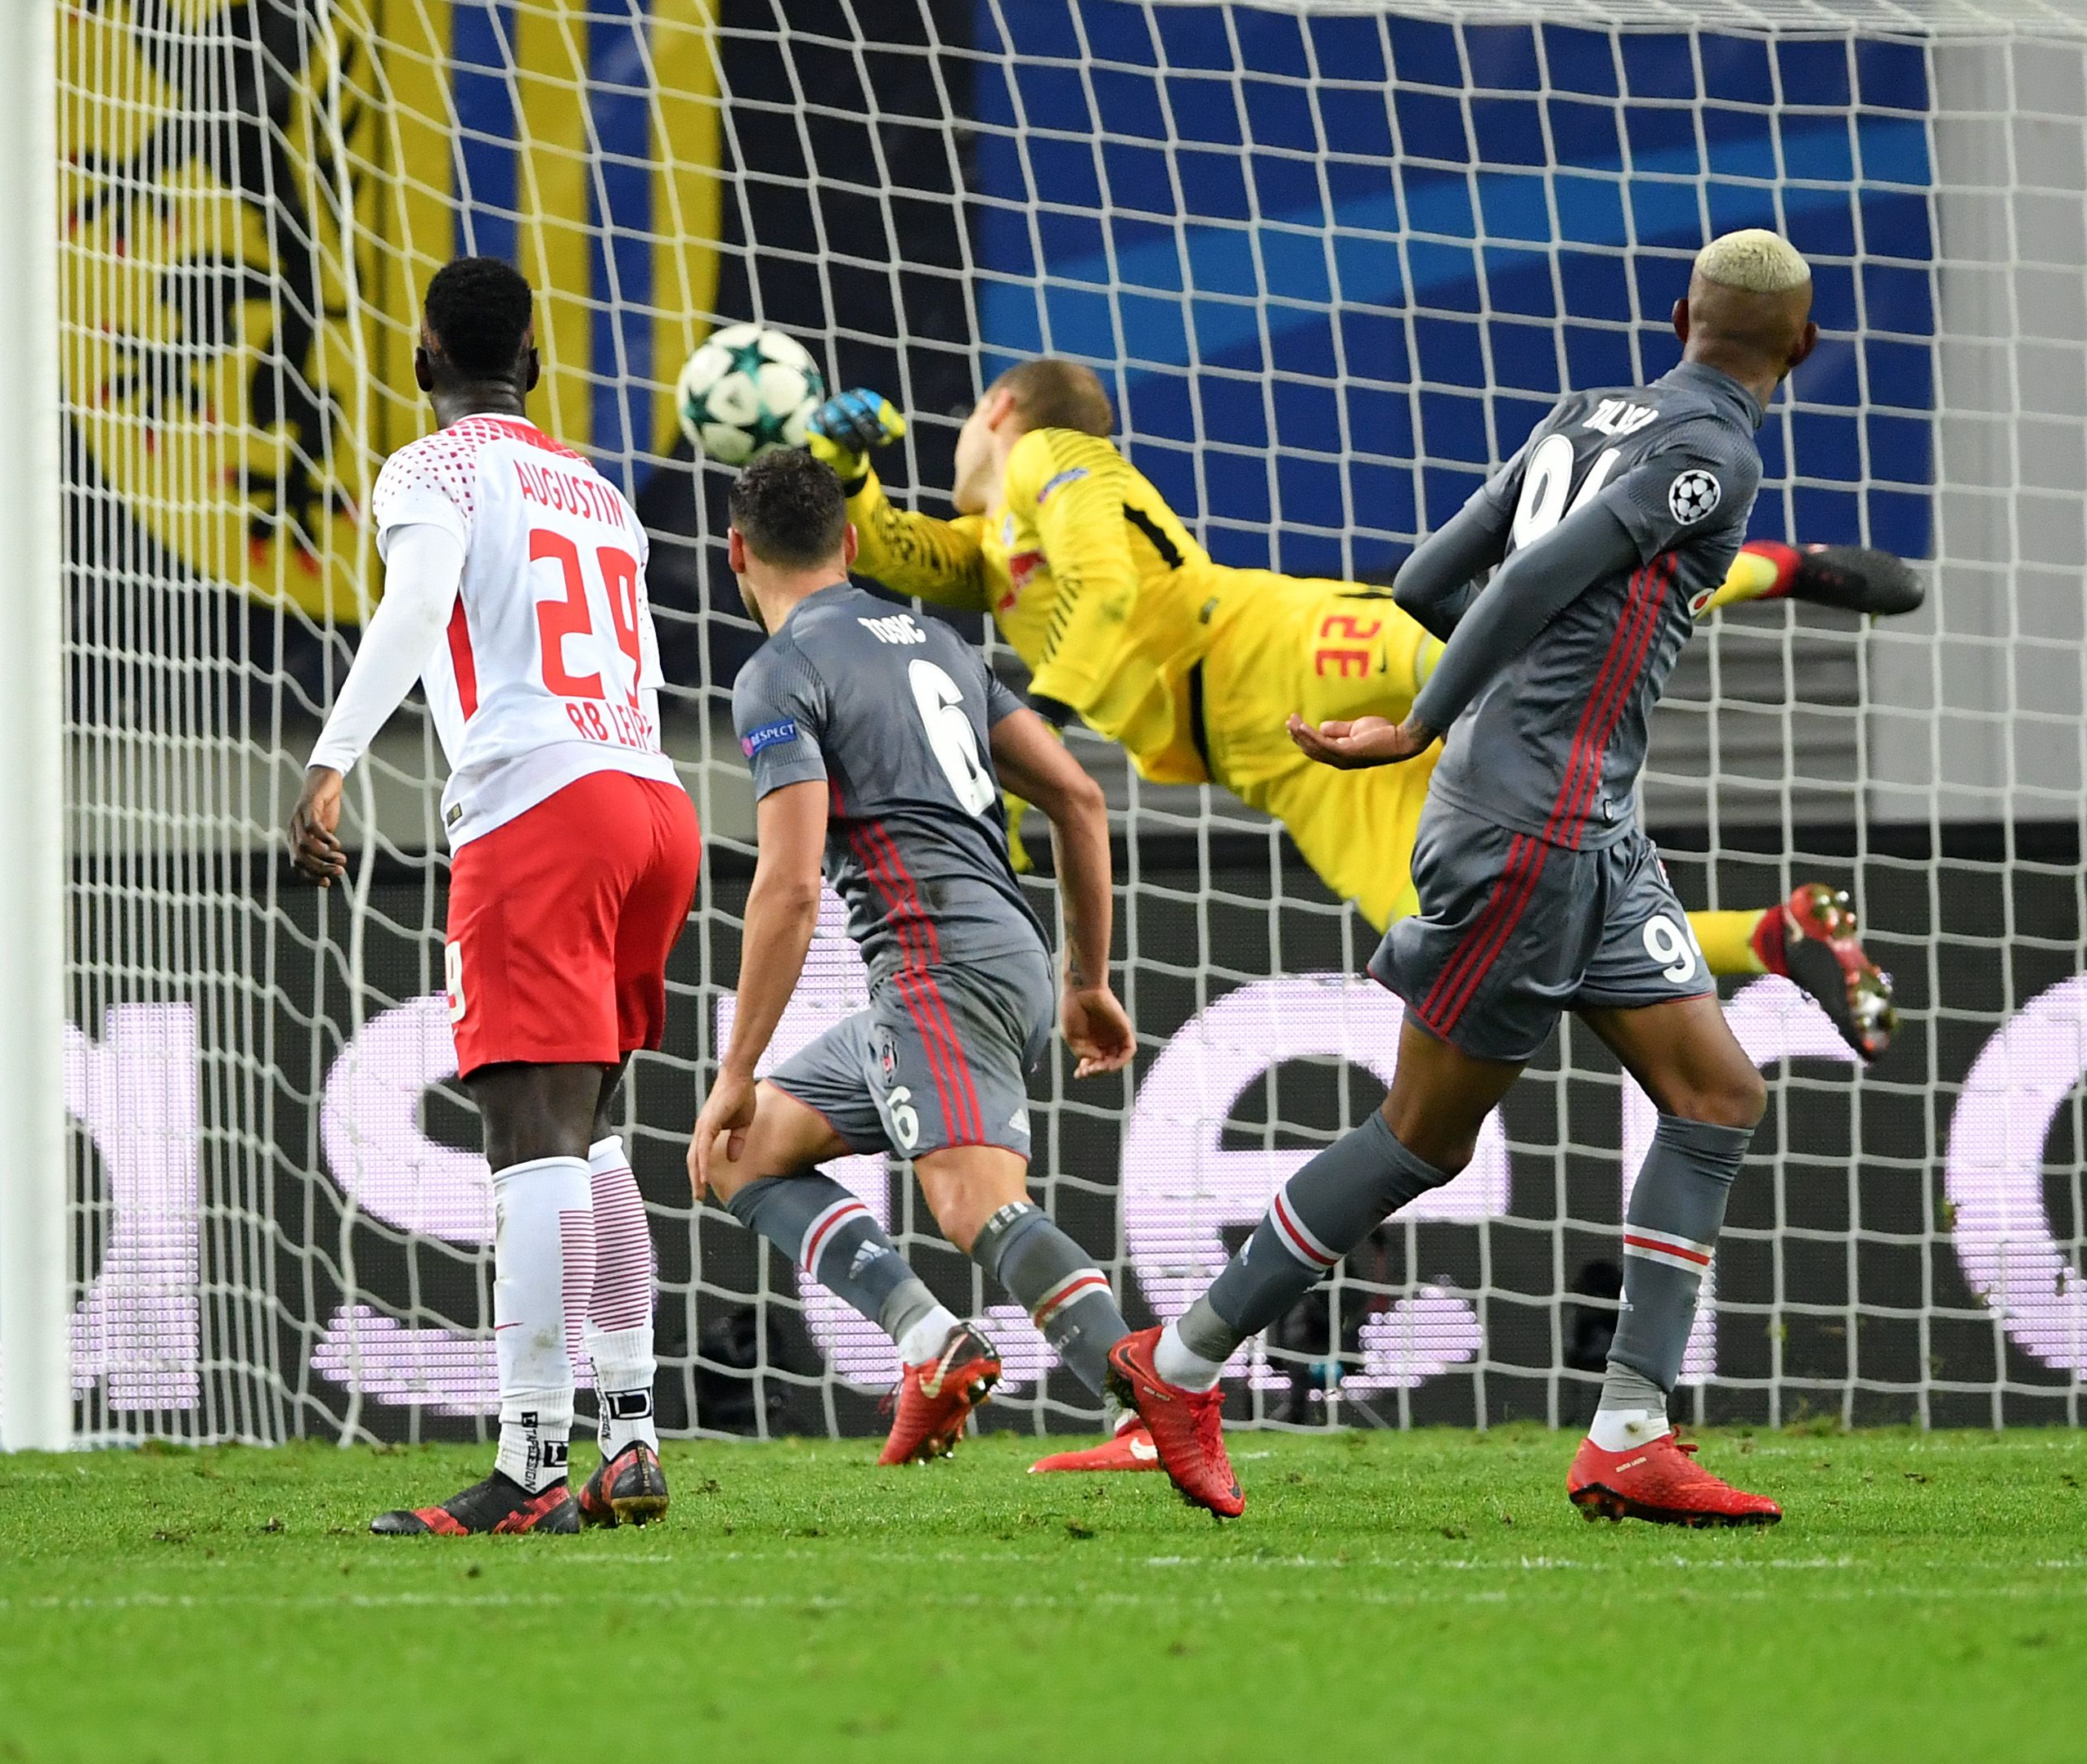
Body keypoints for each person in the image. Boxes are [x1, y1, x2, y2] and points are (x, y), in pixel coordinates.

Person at [1106, 228, 1832, 1527]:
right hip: (1531, 831)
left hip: (1587, 827)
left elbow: (1429, 577)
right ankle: (1177, 1366)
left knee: (1718, 1093)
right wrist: (1438, 721)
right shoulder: (1716, 453)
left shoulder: (1580, 414)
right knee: (1422, 1137)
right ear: (1807, 345)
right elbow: (1544, 576)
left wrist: (1498, 711)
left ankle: (1630, 1430)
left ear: (1679, 316)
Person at [804, 362, 1908, 1063]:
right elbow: (897, 552)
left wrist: (1026, 732)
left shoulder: (1054, 454)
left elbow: (1108, 594)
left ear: (999, 411)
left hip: (1274, 641)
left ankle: (1772, 567)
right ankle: (1780, 934)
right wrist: (842, 467)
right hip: (1270, 753)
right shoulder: (996, 546)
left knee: (1547, 634)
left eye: (966, 425)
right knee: (1447, 928)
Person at [291, 256, 696, 1535]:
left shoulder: (434, 467)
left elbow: (415, 609)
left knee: (528, 1140)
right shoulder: (600, 489)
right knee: (598, 1138)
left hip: (543, 805)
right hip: (653, 801)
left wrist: (331, 759)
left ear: (423, 358)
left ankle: (528, 1465)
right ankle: (629, 1435)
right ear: (535, 361)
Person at [689, 450, 1139, 1463]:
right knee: (743, 1152)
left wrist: (733, 1071)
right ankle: (934, 1345)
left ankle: (1145, 1406)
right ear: (850, 543)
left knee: (973, 1203)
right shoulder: (937, 640)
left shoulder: (780, 671)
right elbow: (1079, 797)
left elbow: (792, 887)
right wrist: (1088, 981)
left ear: (734, 554)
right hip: (1000, 957)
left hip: (938, 965)